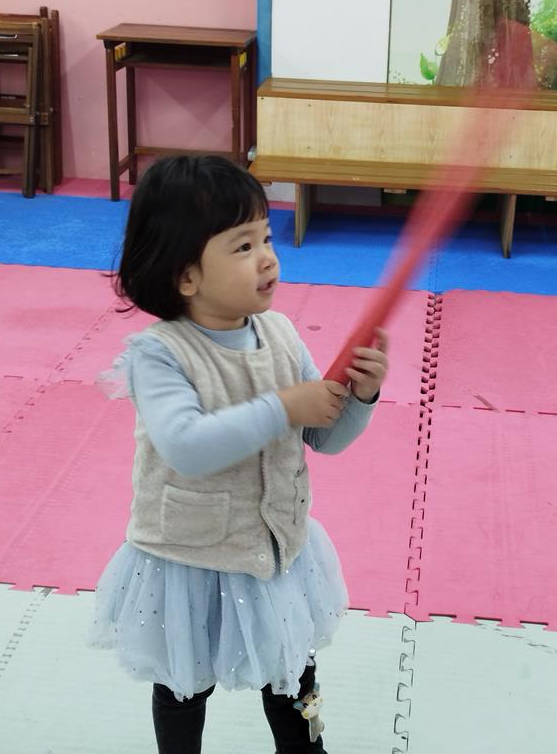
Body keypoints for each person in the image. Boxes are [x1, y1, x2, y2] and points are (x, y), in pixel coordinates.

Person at [88, 155, 388, 754]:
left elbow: (324, 438)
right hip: (188, 559)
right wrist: (284, 406)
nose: (268, 257)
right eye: (244, 246)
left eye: (267, 238)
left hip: (277, 551)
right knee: (183, 683)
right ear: (186, 276)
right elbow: (187, 447)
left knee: (294, 675)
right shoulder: (159, 355)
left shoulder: (280, 334)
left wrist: (361, 396)